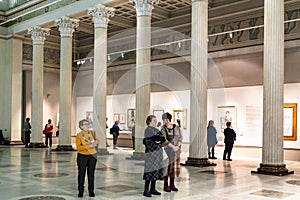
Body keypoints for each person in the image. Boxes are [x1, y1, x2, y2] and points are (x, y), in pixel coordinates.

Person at [143, 115, 179, 197]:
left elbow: (162, 138)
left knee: (155, 171)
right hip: (151, 154)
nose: (156, 122)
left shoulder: (155, 129)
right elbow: (154, 138)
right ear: (149, 122)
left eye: (156, 120)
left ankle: (153, 189)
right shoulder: (148, 130)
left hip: (157, 154)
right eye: (154, 120)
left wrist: (158, 140)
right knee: (149, 171)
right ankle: (146, 190)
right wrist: (157, 139)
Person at [76, 119, 100, 198]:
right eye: (85, 124)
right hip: (82, 156)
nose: (87, 125)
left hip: (92, 156)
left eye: (88, 124)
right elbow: (79, 148)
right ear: (81, 126)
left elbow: (98, 140)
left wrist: (96, 142)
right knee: (81, 174)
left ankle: (91, 191)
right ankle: (81, 191)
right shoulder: (79, 135)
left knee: (91, 174)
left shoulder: (92, 133)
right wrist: (89, 146)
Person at [160, 112, 183, 192]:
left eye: (166, 120)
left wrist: (177, 146)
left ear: (169, 119)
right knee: (166, 167)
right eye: (164, 120)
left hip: (176, 151)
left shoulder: (176, 127)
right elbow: (164, 140)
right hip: (167, 150)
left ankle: (172, 184)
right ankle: (165, 185)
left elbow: (180, 138)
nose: (165, 122)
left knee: (173, 168)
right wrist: (173, 147)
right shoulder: (163, 128)